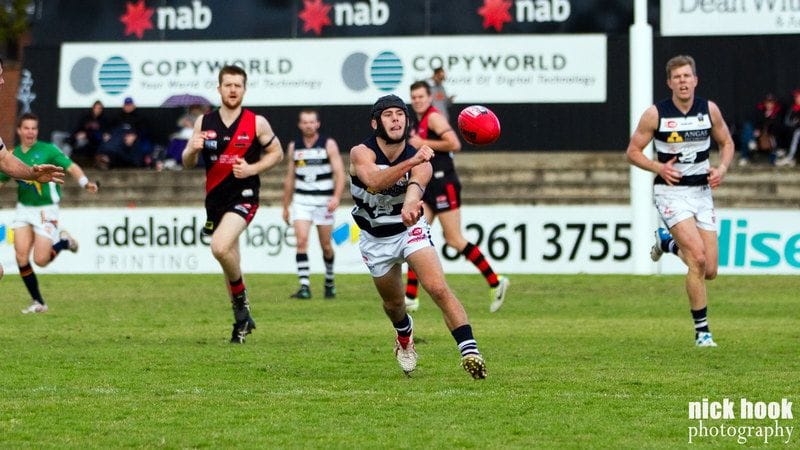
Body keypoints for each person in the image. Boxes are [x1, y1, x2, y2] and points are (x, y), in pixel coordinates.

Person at [350, 94, 486, 379]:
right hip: (375, 239)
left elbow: (416, 188)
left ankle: (470, 351)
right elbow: (374, 182)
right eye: (388, 115)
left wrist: (412, 203)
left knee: (437, 288)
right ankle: (404, 335)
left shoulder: (422, 159)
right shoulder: (362, 153)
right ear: (375, 123)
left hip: (408, 231)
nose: (396, 118)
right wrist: (411, 160)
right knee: (394, 305)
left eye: (400, 114)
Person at [626, 55, 734, 347]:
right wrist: (659, 167)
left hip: (701, 193)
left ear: (695, 80)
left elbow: (726, 142)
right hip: (670, 193)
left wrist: (721, 169)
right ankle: (703, 332)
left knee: (710, 270)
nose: (683, 82)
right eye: (677, 77)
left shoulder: (708, 110)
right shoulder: (656, 114)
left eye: (687, 76)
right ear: (669, 82)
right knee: (697, 260)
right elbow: (633, 151)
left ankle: (667, 243)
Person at [182, 65, 283, 344]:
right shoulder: (204, 122)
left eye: (238, 85)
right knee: (230, 261)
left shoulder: (256, 122)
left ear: (244, 89)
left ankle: (241, 306)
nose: (233, 90)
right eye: (228, 85)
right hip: (215, 201)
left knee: (219, 247)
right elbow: (187, 162)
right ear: (219, 89)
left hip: (245, 196)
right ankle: (241, 323)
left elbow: (277, 153)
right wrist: (192, 149)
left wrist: (252, 169)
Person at [403, 80, 509, 313]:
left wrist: (423, 143)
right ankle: (410, 296)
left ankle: (495, 281)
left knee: (454, 239)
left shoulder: (433, 117)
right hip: (430, 184)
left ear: (430, 98)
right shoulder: (419, 121)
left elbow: (454, 143)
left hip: (444, 182)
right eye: (414, 97)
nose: (417, 100)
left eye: (421, 96)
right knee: (415, 236)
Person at [0, 113, 98, 313]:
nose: (30, 132)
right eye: (26, 128)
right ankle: (38, 301)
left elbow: (71, 167)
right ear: (19, 130)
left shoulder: (48, 150)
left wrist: (85, 183)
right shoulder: (13, 153)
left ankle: (63, 242)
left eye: (34, 128)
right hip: (24, 209)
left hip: (46, 210)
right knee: (20, 257)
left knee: (41, 259)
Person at [281, 109, 345, 300]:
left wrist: (336, 197)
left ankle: (329, 280)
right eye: (305, 122)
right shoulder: (295, 147)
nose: (308, 125)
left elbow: (340, 173)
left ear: (317, 124)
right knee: (301, 241)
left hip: (324, 202)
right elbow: (290, 177)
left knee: (326, 245)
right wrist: (285, 205)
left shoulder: (328, 144)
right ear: (300, 125)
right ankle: (304, 286)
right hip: (302, 201)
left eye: (312, 122)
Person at [96, 97, 152, 169]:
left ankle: (107, 159)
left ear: (133, 106)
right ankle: (104, 157)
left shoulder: (139, 118)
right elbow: (110, 128)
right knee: (109, 140)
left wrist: (135, 136)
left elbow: (144, 131)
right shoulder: (118, 117)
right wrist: (107, 133)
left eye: (130, 105)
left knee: (122, 141)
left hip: (131, 138)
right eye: (126, 105)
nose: (128, 107)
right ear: (123, 106)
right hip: (117, 137)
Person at [68, 100, 109, 165]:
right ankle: (57, 160)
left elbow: (99, 135)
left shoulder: (104, 120)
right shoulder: (86, 117)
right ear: (93, 108)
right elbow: (77, 128)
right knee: (57, 136)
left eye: (100, 108)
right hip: (76, 137)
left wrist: (86, 134)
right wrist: (75, 135)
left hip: (88, 140)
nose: (98, 110)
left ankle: (65, 163)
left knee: (70, 145)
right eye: (96, 108)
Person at [777, 88, 800, 166]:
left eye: (798, 96)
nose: (796, 98)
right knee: (792, 131)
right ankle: (788, 156)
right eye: (796, 97)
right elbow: (787, 121)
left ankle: (790, 157)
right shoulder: (793, 108)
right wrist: (795, 122)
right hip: (794, 131)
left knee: (797, 133)